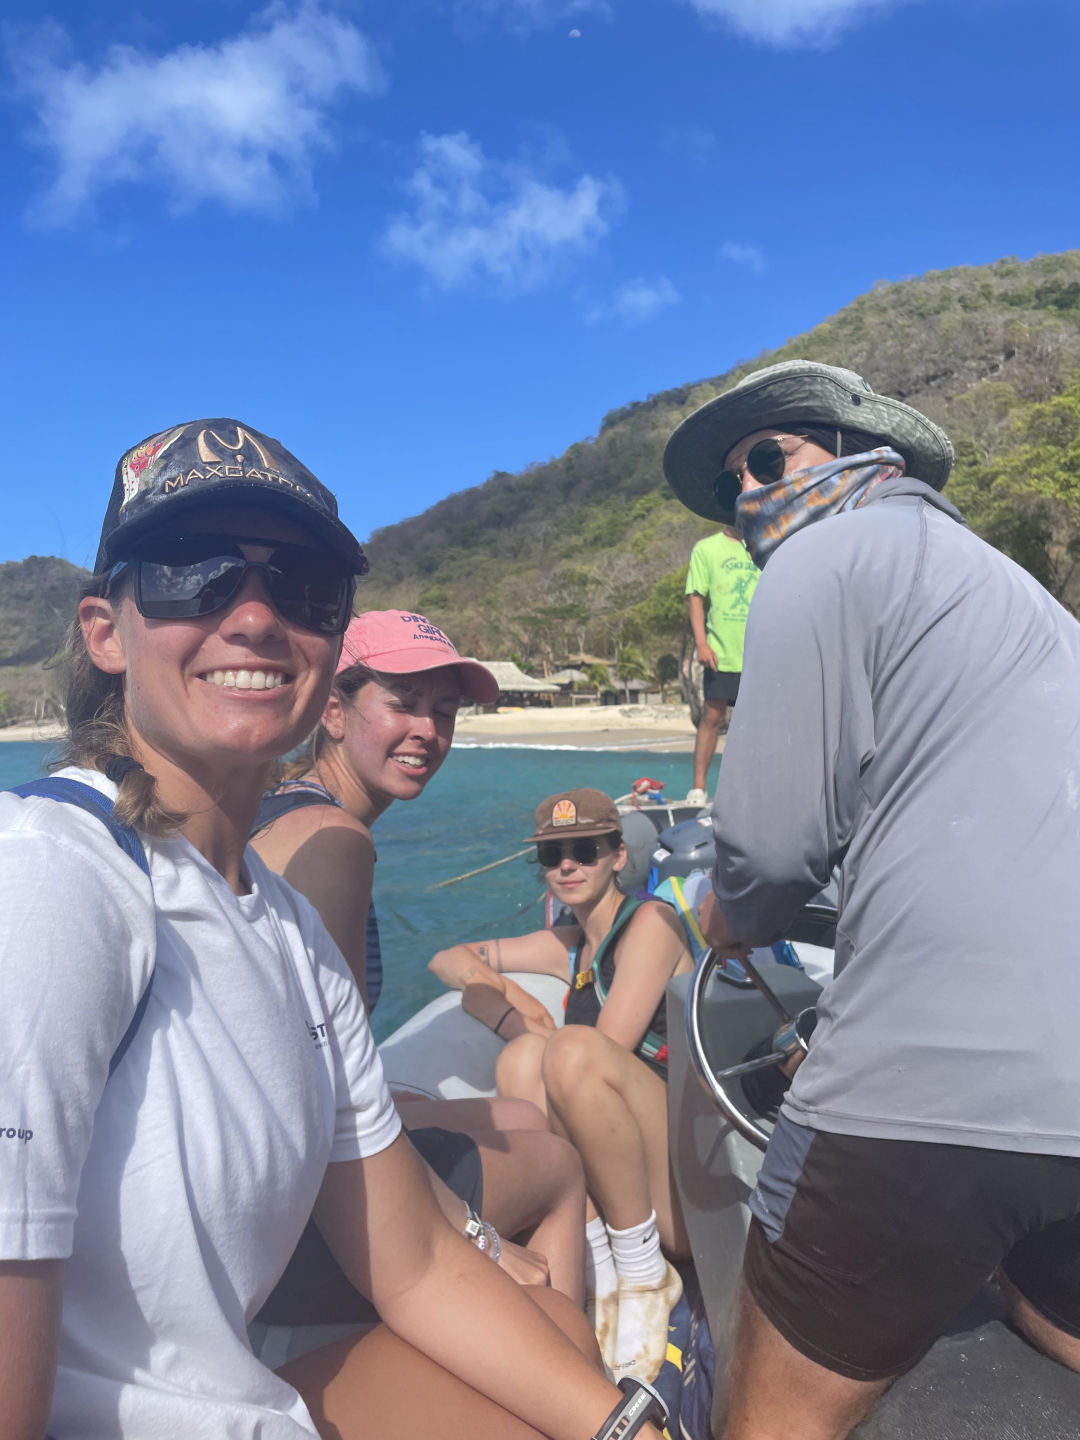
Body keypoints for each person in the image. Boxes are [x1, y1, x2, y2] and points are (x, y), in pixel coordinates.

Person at [0, 418, 663, 1440]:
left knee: (558, 1355)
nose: (254, 617)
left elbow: (419, 1260)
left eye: (303, 585)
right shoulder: (51, 880)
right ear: (104, 631)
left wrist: (630, 1431)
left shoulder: (288, 932)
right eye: (191, 570)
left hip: (237, 1397)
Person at [662, 359, 1080, 1440]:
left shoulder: (827, 556)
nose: (747, 495)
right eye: (731, 483)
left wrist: (727, 917)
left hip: (919, 1093)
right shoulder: (1026, 602)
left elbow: (767, 852)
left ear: (858, 452)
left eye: (766, 460)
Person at [250, 609, 587, 1308]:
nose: (428, 731)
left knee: (521, 1120)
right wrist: (472, 1233)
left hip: (271, 1143)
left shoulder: (279, 807)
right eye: (403, 703)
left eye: (445, 711)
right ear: (333, 711)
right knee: (556, 1165)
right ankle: (562, 1339)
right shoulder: (335, 841)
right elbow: (331, 1087)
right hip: (282, 1204)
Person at [429, 788, 692, 1384]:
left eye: (584, 850)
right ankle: (596, 1265)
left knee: (565, 1049)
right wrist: (512, 1012)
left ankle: (645, 1276)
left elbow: (602, 1051)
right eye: (552, 855)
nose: (567, 865)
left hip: (679, 1186)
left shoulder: (652, 924)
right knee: (525, 1056)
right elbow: (448, 958)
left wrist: (525, 1022)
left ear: (618, 856)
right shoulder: (570, 946)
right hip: (617, 1177)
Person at [683, 527, 758, 806]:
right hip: (721, 649)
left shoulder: (765, 543)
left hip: (760, 649)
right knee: (712, 716)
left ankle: (751, 787)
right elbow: (695, 596)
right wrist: (701, 643)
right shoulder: (706, 548)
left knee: (756, 721)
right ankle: (698, 788)